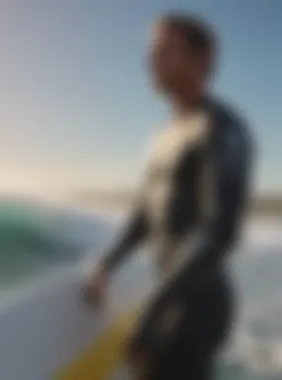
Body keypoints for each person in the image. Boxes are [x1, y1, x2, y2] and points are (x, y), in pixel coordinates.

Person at [84, 12, 254, 380]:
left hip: (196, 304)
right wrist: (108, 263)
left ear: (202, 60)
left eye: (164, 51)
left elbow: (218, 233)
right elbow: (147, 212)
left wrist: (151, 313)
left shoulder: (222, 131)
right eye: (151, 52)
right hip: (169, 297)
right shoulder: (164, 134)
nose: (150, 61)